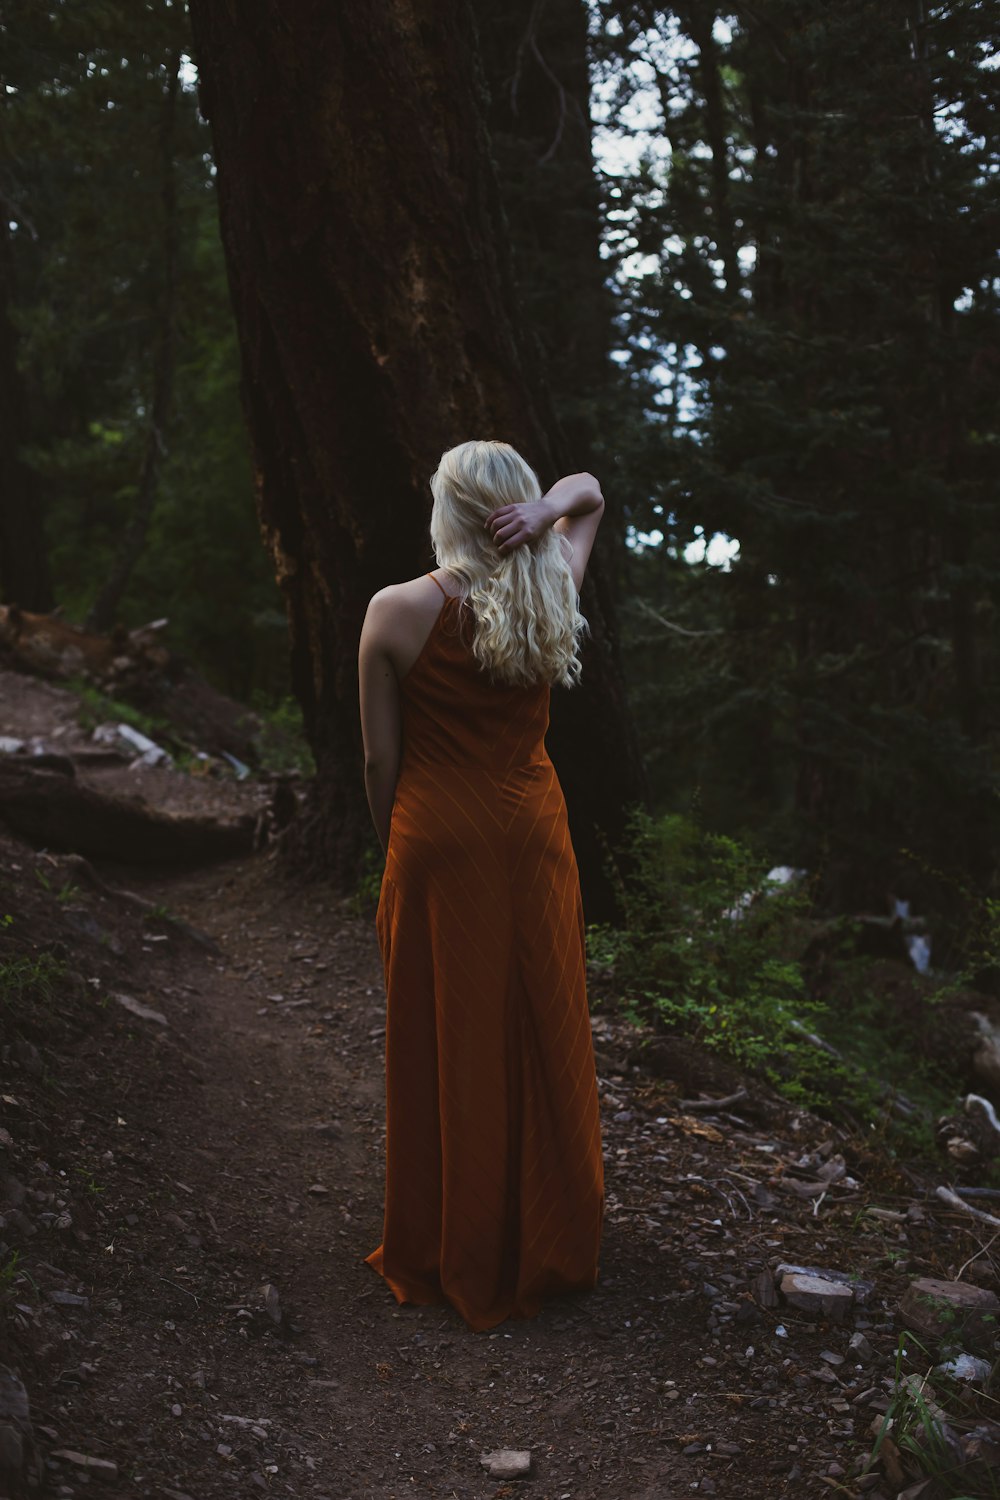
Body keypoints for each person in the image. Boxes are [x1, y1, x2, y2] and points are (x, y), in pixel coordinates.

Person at [357, 438, 605, 1331]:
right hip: (534, 838)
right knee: (539, 1026)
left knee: (446, 1031)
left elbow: (379, 756)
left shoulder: (395, 612)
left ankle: (452, 1241)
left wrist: (392, 845)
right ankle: (547, 1234)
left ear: (448, 511)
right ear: (516, 508)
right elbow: (592, 496)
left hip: (438, 841)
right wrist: (550, 513)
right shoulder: (551, 591)